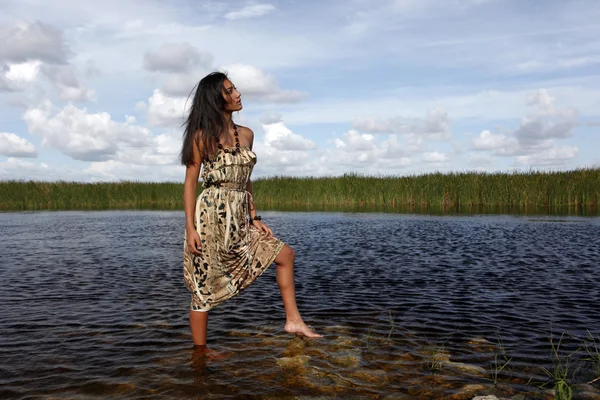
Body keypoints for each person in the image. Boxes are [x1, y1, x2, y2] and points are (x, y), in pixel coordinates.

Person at [181, 71, 322, 347]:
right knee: (203, 285)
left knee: (285, 254)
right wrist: (190, 227)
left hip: (239, 216)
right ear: (216, 99)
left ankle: (293, 320)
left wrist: (254, 216)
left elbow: (247, 180)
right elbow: (190, 183)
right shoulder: (201, 137)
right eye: (230, 91)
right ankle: (199, 357)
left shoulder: (246, 134)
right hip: (210, 216)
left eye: (235, 88)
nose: (238, 94)